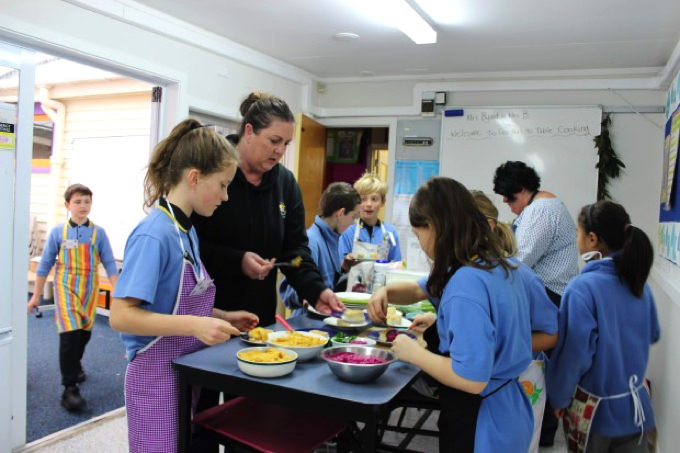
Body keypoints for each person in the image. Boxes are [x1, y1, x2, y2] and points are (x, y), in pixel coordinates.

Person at [109, 119, 259, 453]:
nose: (224, 196)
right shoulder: (154, 234)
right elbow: (121, 315)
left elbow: (172, 303)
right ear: (194, 177)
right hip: (155, 378)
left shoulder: (186, 231)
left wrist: (222, 315)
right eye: (222, 185)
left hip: (181, 372)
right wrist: (196, 325)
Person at [369, 189, 557, 453]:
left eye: (418, 234)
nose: (420, 243)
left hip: (481, 415)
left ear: (437, 228)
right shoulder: (496, 266)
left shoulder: (466, 282)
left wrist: (412, 353)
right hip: (509, 410)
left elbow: (472, 378)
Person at [192, 92, 343, 327]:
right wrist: (237, 260)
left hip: (259, 317)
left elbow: (295, 252)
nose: (281, 150)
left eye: (286, 143)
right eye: (274, 141)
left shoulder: (285, 183)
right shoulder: (213, 171)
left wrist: (316, 290)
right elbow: (189, 246)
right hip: (208, 315)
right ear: (249, 132)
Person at [547, 201, 660, 453]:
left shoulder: (582, 288)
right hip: (637, 410)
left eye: (577, 233)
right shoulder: (640, 285)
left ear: (592, 238)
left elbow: (574, 355)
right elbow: (652, 333)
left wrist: (560, 397)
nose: (576, 239)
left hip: (596, 414)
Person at [493, 160, 579, 446]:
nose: (508, 204)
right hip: (551, 294)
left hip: (549, 295)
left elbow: (520, 259)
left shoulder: (541, 210)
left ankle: (539, 432)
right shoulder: (545, 206)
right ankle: (540, 430)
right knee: (542, 367)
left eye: (510, 198)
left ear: (524, 189)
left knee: (539, 368)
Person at [27, 183, 119, 412]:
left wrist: (117, 291)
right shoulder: (58, 232)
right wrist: (36, 296)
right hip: (65, 288)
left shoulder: (99, 233)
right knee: (69, 336)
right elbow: (45, 264)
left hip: (89, 290)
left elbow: (109, 263)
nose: (83, 206)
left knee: (83, 335)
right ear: (68, 205)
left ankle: (75, 365)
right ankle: (69, 388)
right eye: (77, 201)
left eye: (86, 201)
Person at [279, 182, 360, 316]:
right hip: (306, 323)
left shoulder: (335, 239)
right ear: (341, 213)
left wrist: (342, 270)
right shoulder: (311, 241)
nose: (353, 223)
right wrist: (309, 296)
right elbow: (288, 292)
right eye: (354, 217)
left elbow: (327, 283)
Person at [339, 172, 402, 293]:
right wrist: (346, 263)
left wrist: (400, 266)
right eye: (363, 199)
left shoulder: (390, 233)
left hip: (381, 296)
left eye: (374, 199)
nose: (368, 204)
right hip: (352, 297)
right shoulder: (347, 231)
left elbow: (397, 269)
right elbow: (339, 271)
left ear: (383, 202)